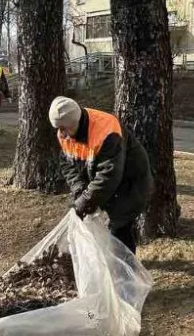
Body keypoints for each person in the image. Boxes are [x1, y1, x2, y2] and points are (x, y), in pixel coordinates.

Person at [48, 97, 152, 254]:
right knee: (101, 222)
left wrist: (86, 201)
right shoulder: (65, 132)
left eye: (64, 128)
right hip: (106, 181)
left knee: (119, 225)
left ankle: (125, 269)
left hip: (129, 182)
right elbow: (67, 163)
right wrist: (78, 187)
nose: (61, 134)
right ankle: (111, 259)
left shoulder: (107, 131)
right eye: (58, 128)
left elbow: (109, 175)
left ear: (76, 122)